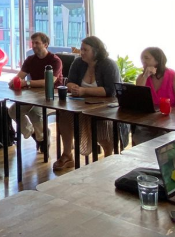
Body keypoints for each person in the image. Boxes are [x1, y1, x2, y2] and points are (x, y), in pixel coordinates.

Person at [53, 36, 124, 170]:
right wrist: (74, 88)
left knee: (103, 125)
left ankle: (109, 157)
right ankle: (67, 154)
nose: (82, 52)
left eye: (85, 50)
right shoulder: (78, 63)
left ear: (96, 51)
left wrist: (84, 90)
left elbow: (111, 91)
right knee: (64, 114)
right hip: (81, 104)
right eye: (81, 49)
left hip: (106, 107)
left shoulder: (109, 64)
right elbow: (70, 82)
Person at [9, 32, 62, 146]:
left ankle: (42, 138)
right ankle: (34, 133)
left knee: (35, 113)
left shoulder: (55, 60)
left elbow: (48, 82)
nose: (33, 46)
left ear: (45, 44)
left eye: (37, 43)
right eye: (32, 43)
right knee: (13, 110)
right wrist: (14, 81)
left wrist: (26, 83)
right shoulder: (30, 59)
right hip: (34, 95)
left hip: (52, 96)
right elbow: (19, 76)